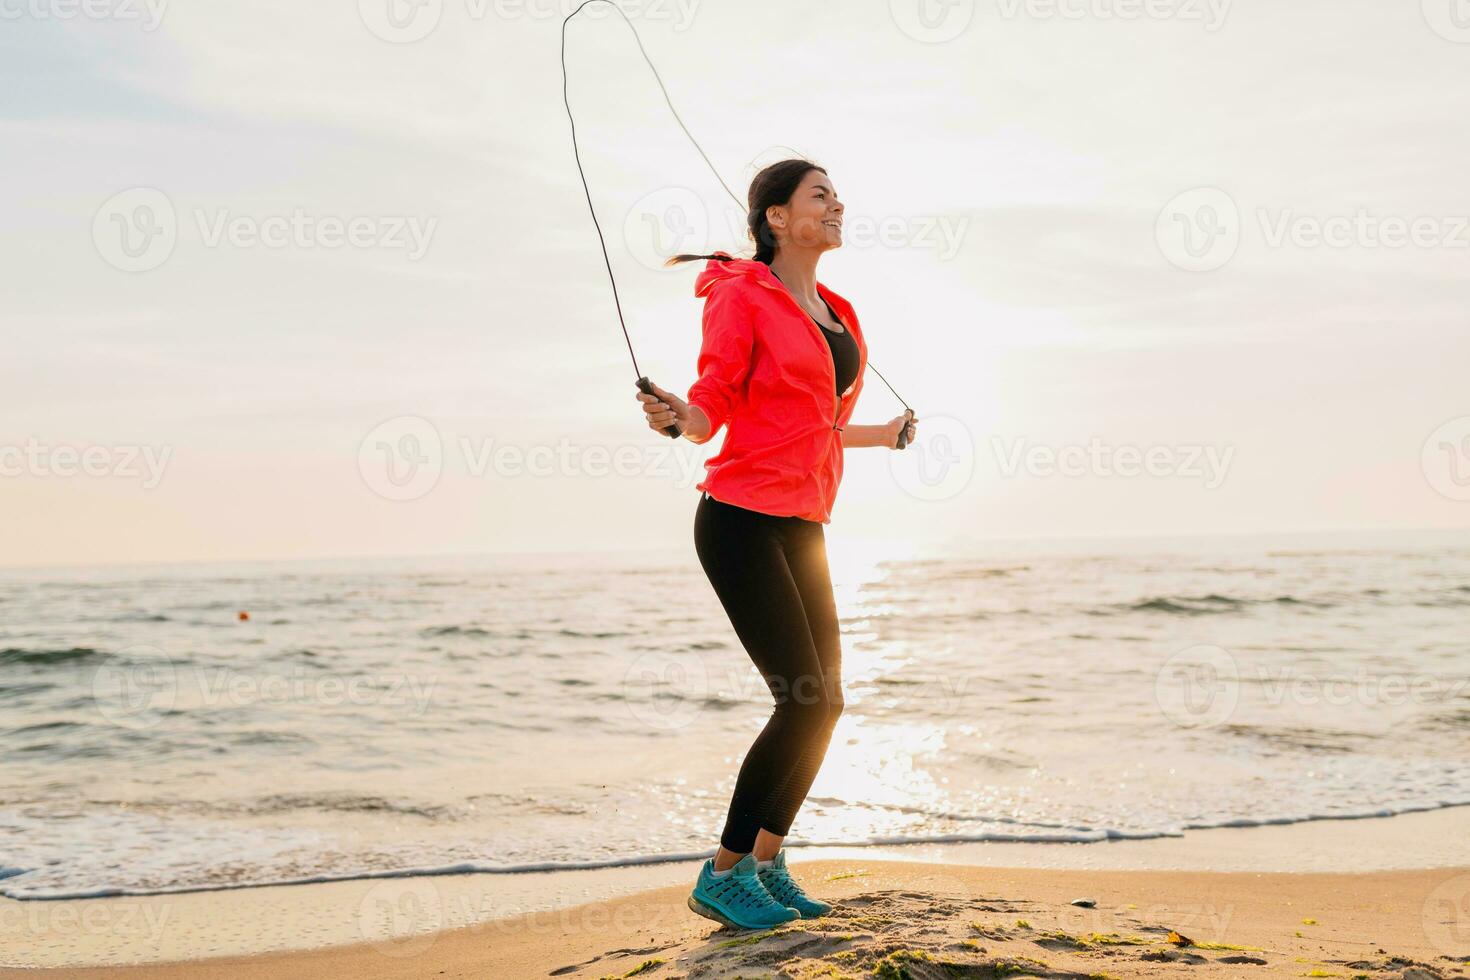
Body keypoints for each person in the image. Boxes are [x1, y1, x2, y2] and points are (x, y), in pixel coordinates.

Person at [634, 159, 918, 930]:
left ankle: (764, 862)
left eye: (837, 195)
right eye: (819, 195)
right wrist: (678, 418)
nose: (836, 205)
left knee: (825, 705)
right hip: (739, 519)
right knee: (800, 700)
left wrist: (882, 436)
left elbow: (815, 422)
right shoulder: (739, 295)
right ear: (775, 219)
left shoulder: (839, 312)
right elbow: (714, 402)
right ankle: (722, 875)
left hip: (804, 522)